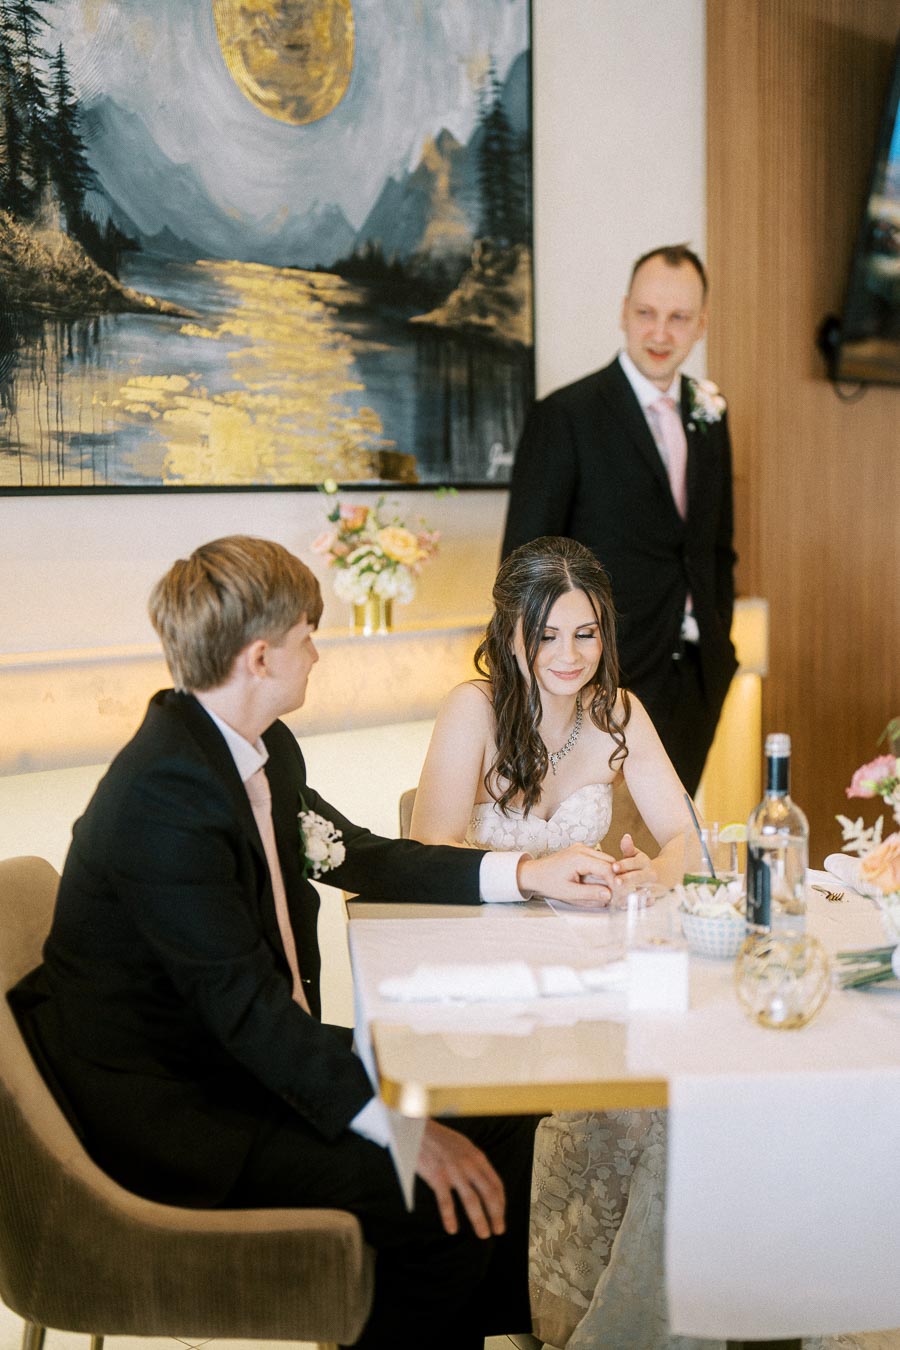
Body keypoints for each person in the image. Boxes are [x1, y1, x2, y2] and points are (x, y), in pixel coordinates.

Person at [10, 535, 618, 1350]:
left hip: (234, 1060)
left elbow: (359, 852)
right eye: (307, 636)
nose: (318, 652)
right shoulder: (164, 798)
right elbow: (250, 1017)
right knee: (435, 1196)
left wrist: (527, 872)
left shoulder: (258, 750)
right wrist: (402, 1129)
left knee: (503, 1119)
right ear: (261, 658)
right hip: (172, 1112)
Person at [410, 535, 707, 1350]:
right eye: (547, 635)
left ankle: (621, 1308)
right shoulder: (470, 710)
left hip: (589, 976)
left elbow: (689, 836)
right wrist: (536, 868)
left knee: (669, 1102)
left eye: (586, 633)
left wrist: (652, 871)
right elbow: (430, 849)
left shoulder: (619, 715)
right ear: (510, 633)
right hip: (478, 977)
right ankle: (535, 1299)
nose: (568, 655)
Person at [501, 243, 738, 795]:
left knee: (673, 842)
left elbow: (715, 546)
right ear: (623, 310)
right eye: (646, 313)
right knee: (607, 853)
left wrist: (720, 643)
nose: (660, 333)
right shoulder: (566, 416)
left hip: (698, 676)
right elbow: (523, 566)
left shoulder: (711, 415)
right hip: (604, 674)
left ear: (701, 325)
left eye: (679, 318)